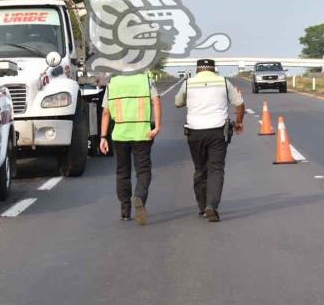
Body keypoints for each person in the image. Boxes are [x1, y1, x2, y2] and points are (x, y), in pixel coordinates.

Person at [174, 59, 245, 222]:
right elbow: (240, 103)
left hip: (194, 131)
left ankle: (202, 207)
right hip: (218, 131)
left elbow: (177, 103)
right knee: (216, 169)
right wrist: (239, 122)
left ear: (197, 70)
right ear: (214, 70)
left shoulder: (189, 83)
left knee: (200, 169)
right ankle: (211, 205)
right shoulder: (223, 81)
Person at [100, 72, 162, 224]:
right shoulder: (146, 80)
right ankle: (139, 196)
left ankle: (125, 211)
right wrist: (157, 127)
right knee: (143, 170)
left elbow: (106, 113)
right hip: (142, 134)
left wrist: (103, 137)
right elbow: (156, 102)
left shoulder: (112, 83)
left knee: (122, 173)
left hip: (120, 135)